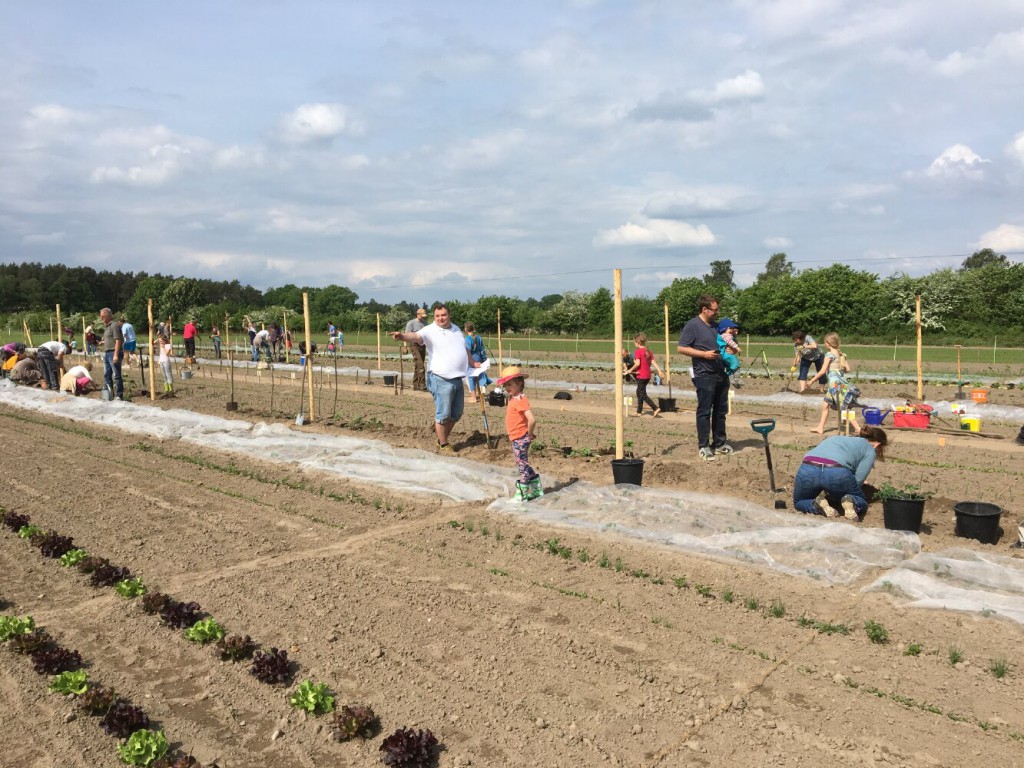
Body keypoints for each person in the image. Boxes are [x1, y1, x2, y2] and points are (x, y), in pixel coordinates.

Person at [391, 305, 479, 453]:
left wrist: (472, 363)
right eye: (437, 316)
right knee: (444, 414)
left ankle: (440, 435)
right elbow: (416, 336)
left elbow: (464, 349)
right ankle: (443, 444)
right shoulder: (430, 330)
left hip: (457, 378)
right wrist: (402, 336)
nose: (440, 318)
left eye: (443, 315)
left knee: (456, 413)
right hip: (440, 377)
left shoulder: (456, 329)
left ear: (449, 315)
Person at [677, 295, 732, 461]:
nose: (717, 313)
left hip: (721, 373)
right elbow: (681, 348)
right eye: (714, 310)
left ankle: (720, 443)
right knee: (704, 411)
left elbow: (726, 344)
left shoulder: (716, 327)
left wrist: (731, 351)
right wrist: (703, 354)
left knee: (721, 410)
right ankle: (704, 446)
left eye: (717, 310)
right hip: (704, 374)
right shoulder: (693, 325)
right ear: (704, 309)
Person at [793, 426, 887, 520]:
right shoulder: (870, 449)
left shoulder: (835, 438)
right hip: (836, 472)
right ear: (877, 444)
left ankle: (816, 505)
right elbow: (859, 479)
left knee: (800, 501)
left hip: (808, 467)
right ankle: (852, 502)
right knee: (861, 501)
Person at [496, 366, 542, 501]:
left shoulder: (520, 400)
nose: (507, 387)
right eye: (505, 385)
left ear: (520, 383)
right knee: (523, 463)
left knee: (522, 465)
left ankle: (522, 493)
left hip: (521, 438)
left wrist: (529, 434)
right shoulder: (513, 398)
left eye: (510, 384)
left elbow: (532, 419)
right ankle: (536, 489)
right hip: (516, 438)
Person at [809, 333, 861, 434]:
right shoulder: (842, 355)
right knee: (825, 405)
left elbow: (822, 371)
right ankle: (820, 427)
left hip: (835, 385)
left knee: (844, 408)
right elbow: (848, 369)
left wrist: (811, 381)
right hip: (839, 382)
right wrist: (838, 371)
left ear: (829, 343)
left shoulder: (829, 355)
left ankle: (857, 428)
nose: (824, 344)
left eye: (825, 342)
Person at [626, 333, 664, 417]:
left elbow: (637, 364)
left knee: (642, 394)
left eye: (634, 342)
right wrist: (659, 371)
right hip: (647, 376)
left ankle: (655, 408)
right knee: (639, 392)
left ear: (638, 342)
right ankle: (639, 412)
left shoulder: (638, 351)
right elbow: (653, 362)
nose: (634, 343)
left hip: (641, 376)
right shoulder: (648, 351)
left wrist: (630, 370)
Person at [99, 307, 123, 400]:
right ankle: (109, 395)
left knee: (116, 375)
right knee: (107, 375)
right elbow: (110, 339)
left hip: (113, 352)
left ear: (108, 316)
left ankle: (119, 395)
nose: (101, 319)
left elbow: (118, 341)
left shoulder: (114, 325)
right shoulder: (107, 327)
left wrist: (116, 355)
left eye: (103, 317)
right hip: (107, 353)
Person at [464, 322, 492, 402]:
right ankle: (480, 395)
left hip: (471, 359)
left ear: (466, 329)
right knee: (479, 376)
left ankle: (473, 397)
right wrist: (483, 359)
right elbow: (482, 350)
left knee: (471, 377)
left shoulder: (467, 339)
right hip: (478, 358)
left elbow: (467, 351)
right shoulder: (479, 338)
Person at [404, 307, 428, 391]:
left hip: (423, 345)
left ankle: (415, 385)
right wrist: (405, 346)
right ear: (417, 315)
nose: (423, 317)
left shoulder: (425, 324)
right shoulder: (411, 323)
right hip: (414, 345)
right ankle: (422, 384)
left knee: (418, 365)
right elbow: (406, 336)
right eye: (421, 316)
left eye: (424, 316)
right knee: (420, 364)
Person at [716, 318, 742, 387]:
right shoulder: (726, 335)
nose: (732, 330)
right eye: (730, 328)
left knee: (730, 366)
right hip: (727, 354)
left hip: (724, 355)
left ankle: (732, 378)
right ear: (725, 329)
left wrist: (734, 335)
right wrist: (737, 347)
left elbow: (731, 339)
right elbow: (730, 341)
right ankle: (736, 379)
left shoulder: (724, 334)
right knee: (736, 365)